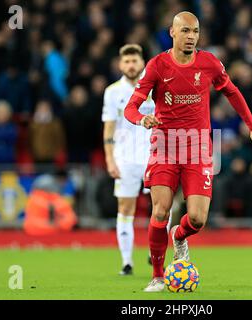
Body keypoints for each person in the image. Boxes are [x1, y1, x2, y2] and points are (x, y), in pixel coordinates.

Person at [124, 11, 252, 292]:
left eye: (195, 32)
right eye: (186, 31)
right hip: (165, 145)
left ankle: (179, 235)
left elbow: (233, 92)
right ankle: (157, 276)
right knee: (160, 210)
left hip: (199, 147)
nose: (191, 37)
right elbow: (131, 106)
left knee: (198, 219)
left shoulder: (209, 63)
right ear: (172, 32)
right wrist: (142, 118)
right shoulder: (157, 66)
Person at [102, 44, 156, 275]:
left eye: (134, 61)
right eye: (127, 61)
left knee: (162, 205)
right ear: (120, 64)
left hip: (154, 155)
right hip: (125, 158)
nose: (131, 65)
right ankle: (126, 262)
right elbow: (109, 129)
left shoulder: (154, 86)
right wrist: (110, 160)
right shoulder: (112, 91)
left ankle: (156, 251)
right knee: (125, 208)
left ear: (142, 62)